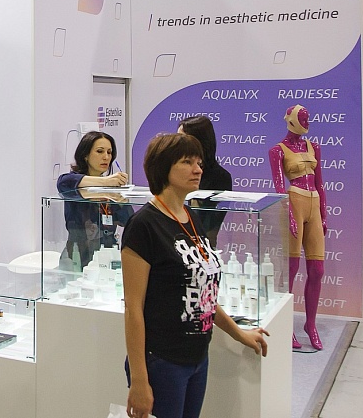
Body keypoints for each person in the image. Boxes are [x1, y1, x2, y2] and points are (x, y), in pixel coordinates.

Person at [122, 133, 268, 418]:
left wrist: (239, 334)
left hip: (197, 358)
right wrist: (139, 379)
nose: (197, 169)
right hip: (162, 360)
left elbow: (204, 296)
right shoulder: (144, 225)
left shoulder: (191, 218)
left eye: (199, 162)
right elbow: (133, 309)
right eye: (187, 162)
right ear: (164, 167)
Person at [268, 104, 327, 350]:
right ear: (292, 120)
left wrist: (324, 213)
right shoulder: (277, 150)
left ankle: (310, 324)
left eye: (308, 119)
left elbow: (320, 182)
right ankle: (286, 324)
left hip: (313, 203)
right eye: (303, 119)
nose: (307, 123)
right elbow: (279, 187)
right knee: (291, 269)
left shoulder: (314, 147)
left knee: (317, 269)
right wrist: (289, 214)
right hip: (294, 202)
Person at [56, 131, 130, 267]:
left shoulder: (111, 188)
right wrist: (106, 182)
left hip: (108, 254)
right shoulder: (70, 180)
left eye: (109, 152)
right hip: (79, 255)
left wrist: (121, 199)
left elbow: (128, 221)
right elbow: (63, 184)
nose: (106, 157)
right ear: (85, 155)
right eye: (100, 151)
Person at [178, 115, 232, 245]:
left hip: (199, 246)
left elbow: (208, 229)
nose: (176, 145)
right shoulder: (176, 171)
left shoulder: (220, 178)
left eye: (182, 139)